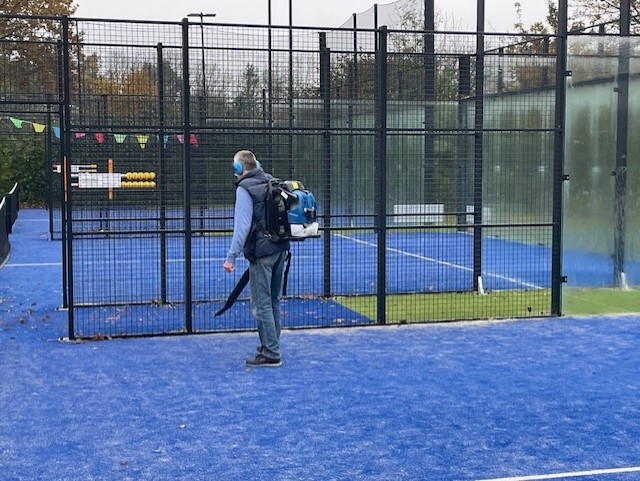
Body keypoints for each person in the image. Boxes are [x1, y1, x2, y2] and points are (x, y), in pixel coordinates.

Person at [223, 150, 289, 367]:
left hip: (262, 252)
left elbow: (242, 226)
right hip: (280, 248)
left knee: (261, 303)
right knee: (273, 300)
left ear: (239, 168)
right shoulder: (270, 180)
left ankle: (271, 352)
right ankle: (271, 345)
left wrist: (231, 257)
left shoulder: (244, 189)